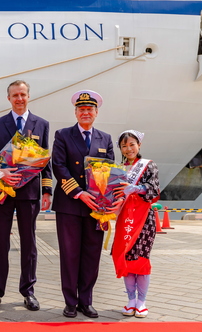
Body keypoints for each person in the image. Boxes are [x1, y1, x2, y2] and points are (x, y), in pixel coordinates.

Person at [0, 80, 53, 311]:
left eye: (23, 94)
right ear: (9, 99)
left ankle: (28, 291)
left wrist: (47, 189)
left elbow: (45, 160)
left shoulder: (41, 124)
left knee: (29, 243)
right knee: (0, 243)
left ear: (29, 96)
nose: (19, 99)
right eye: (15, 95)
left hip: (30, 191)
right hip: (3, 191)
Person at [51, 90, 119, 318]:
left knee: (91, 254)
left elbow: (110, 172)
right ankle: (70, 302)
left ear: (96, 113)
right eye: (82, 109)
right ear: (76, 112)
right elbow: (58, 166)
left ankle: (86, 301)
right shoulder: (62, 135)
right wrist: (79, 193)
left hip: (96, 208)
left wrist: (107, 200)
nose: (86, 112)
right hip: (70, 205)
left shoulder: (105, 139)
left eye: (90, 109)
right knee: (70, 254)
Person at [111, 130, 160, 318]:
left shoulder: (148, 165)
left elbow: (154, 188)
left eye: (132, 144)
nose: (128, 149)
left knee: (141, 258)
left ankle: (142, 302)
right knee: (126, 258)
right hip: (124, 218)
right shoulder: (118, 167)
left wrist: (138, 188)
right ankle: (131, 299)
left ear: (139, 145)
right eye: (124, 146)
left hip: (143, 220)